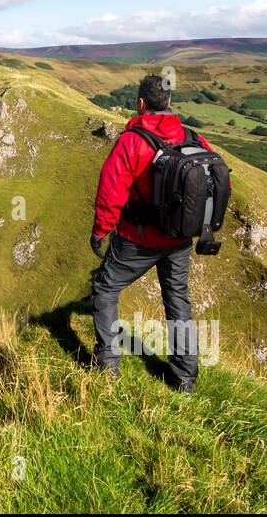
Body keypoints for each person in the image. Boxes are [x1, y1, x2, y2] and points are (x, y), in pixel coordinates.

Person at [89, 74, 211, 392]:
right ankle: (185, 378)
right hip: (180, 237)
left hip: (138, 239)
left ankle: (107, 369)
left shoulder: (132, 141)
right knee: (177, 299)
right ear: (168, 103)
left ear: (141, 104)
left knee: (104, 288)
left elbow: (110, 191)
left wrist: (100, 232)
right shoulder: (192, 137)